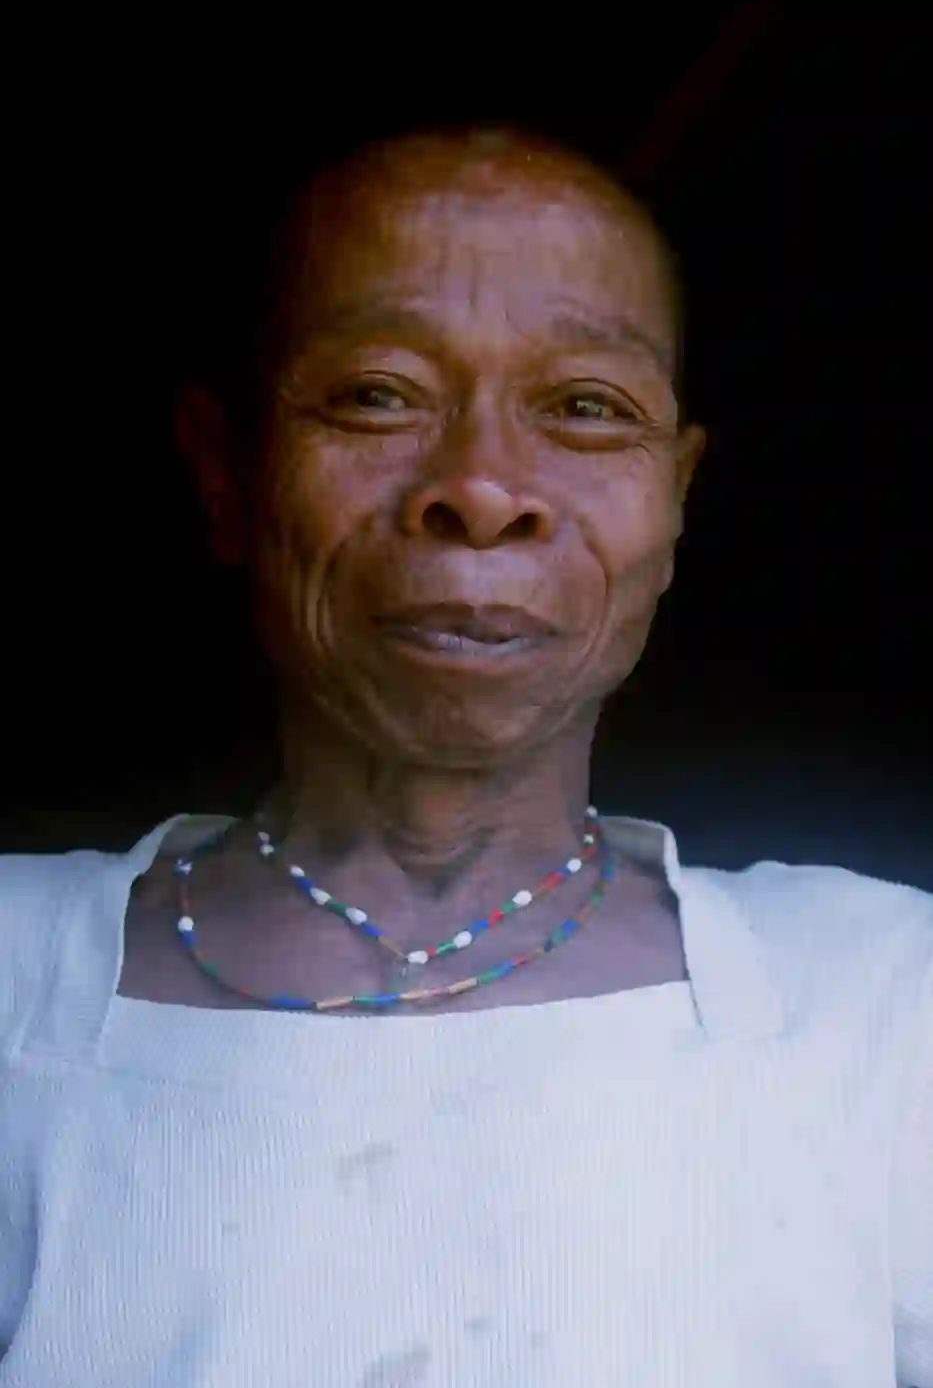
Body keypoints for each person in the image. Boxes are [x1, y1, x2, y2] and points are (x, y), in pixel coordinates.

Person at [1, 122, 930, 1388]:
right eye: (378, 393)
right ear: (227, 474)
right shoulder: (16, 975)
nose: (485, 488)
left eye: (587, 408)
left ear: (676, 500)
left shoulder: (884, 1007)